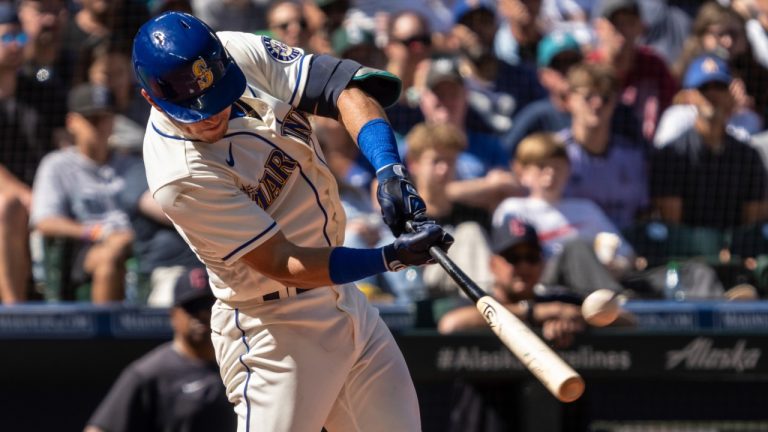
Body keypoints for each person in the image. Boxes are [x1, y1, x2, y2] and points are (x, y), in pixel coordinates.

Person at [131, 12, 453, 432]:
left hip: (345, 300)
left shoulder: (234, 52)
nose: (215, 113)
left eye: (219, 95)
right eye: (197, 109)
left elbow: (343, 87)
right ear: (153, 100)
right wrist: (388, 258)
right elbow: (281, 261)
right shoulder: (179, 175)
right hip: (275, 331)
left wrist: (389, 169)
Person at [83, 266, 236, 432]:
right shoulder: (150, 372)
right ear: (173, 315)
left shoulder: (238, 361)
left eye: (208, 306)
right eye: (192, 307)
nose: (202, 315)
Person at [30, 83, 135, 304]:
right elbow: (44, 221)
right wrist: (98, 233)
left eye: (104, 118)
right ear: (72, 123)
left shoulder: (131, 164)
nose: (99, 126)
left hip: (137, 245)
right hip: (82, 251)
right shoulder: (56, 165)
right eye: (91, 119)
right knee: (109, 260)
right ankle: (106, 337)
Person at [496, 132, 635, 282]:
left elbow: (626, 254)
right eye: (542, 166)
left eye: (557, 166)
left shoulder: (586, 209)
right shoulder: (513, 209)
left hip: (585, 286)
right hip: (540, 284)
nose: (550, 173)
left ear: (568, 169)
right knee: (576, 246)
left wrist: (616, 266)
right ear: (522, 172)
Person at [651, 53, 768, 229]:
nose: (712, 94)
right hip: (685, 254)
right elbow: (673, 228)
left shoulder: (748, 157)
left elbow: (753, 226)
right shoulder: (673, 154)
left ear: (731, 94)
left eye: (719, 87)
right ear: (690, 96)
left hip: (736, 253)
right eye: (704, 88)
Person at [0, 3, 65, 304]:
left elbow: (63, 143)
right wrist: (29, 197)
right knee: (8, 207)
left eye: (19, 38)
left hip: (44, 189)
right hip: (13, 196)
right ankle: (15, 311)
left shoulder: (42, 89)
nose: (15, 46)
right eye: (5, 38)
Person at [558, 62, 649, 230]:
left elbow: (641, 215)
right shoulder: (555, 153)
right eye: (588, 97)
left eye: (606, 97)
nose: (598, 103)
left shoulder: (632, 158)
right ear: (569, 99)